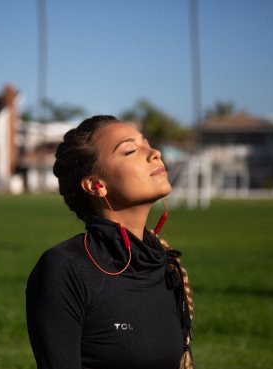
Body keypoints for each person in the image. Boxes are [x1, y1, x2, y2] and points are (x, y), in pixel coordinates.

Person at [26, 115, 194, 369]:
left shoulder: (166, 267)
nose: (155, 153)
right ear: (96, 185)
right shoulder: (65, 269)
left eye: (147, 143)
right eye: (130, 150)